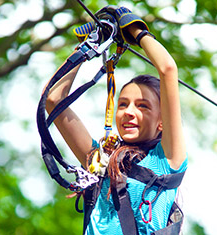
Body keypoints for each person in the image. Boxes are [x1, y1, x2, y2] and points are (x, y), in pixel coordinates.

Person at [44, 6, 188, 235]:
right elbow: (54, 100)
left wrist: (137, 31)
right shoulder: (100, 161)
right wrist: (88, 46)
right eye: (123, 104)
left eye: (142, 106)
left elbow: (168, 70)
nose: (129, 112)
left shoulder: (167, 160)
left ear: (162, 122)